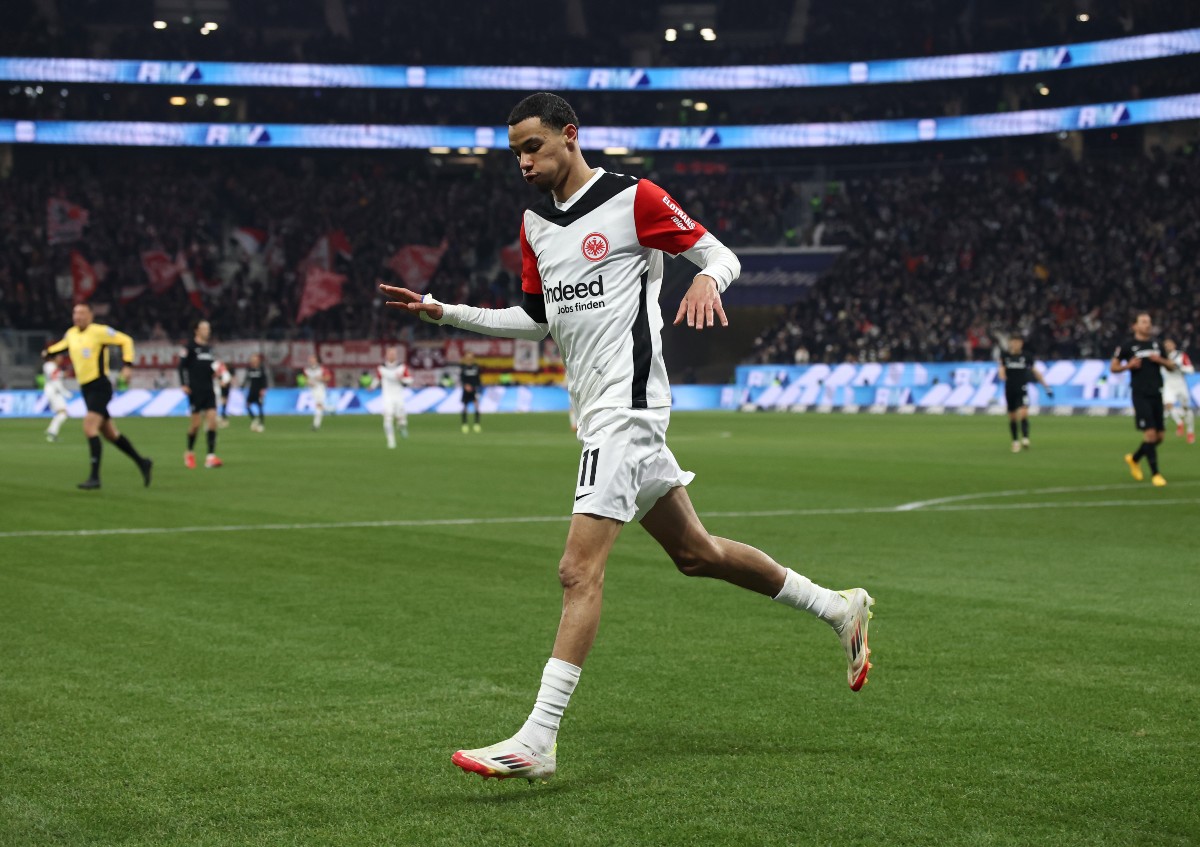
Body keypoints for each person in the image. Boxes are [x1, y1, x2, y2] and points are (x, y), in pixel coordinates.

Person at [380, 92, 874, 784]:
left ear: (569, 136)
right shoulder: (535, 225)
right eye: (514, 151)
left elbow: (720, 254)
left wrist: (706, 278)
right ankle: (838, 607)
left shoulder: (634, 198)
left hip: (630, 407)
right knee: (696, 553)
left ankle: (539, 737)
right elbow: (535, 320)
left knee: (577, 569)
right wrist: (444, 312)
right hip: (599, 411)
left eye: (532, 147)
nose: (522, 162)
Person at [42, 302, 153, 490]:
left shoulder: (99, 331)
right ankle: (143, 462)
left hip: (100, 385)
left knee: (89, 427)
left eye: (82, 313)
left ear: (91, 316)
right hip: (86, 388)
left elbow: (126, 340)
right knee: (110, 434)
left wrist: (127, 365)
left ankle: (95, 478)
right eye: (75, 313)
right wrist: (48, 352)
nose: (78, 317)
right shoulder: (71, 334)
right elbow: (61, 347)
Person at [1112, 312, 1174, 486]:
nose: (1148, 325)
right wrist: (1128, 366)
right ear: (1135, 326)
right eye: (1144, 322)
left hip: (1157, 393)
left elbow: (1171, 366)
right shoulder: (1128, 346)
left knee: (1159, 437)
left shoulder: (1157, 344)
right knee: (1150, 433)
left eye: (1149, 322)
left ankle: (1135, 458)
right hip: (1140, 394)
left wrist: (1160, 360)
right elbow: (1113, 367)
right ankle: (1156, 474)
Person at [179, 320, 224, 469]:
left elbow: (210, 368)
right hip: (195, 390)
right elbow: (181, 366)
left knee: (212, 421)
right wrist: (184, 384)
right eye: (204, 328)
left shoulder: (209, 349)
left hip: (209, 389)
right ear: (196, 330)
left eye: (208, 328)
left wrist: (217, 376)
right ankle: (189, 452)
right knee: (196, 425)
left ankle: (210, 457)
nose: (207, 331)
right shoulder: (190, 347)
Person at [997, 336, 1052, 452]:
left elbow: (1035, 372)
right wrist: (1002, 375)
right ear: (1010, 343)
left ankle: (1025, 438)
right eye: (1014, 342)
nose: (1016, 344)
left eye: (1018, 342)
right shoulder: (1005, 356)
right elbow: (1001, 368)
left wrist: (1046, 386)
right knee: (1012, 417)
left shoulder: (1026, 356)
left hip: (1022, 388)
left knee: (1023, 413)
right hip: (1009, 389)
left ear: (1021, 344)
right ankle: (1015, 441)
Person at [370, 346, 414, 448]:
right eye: (390, 353)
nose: (392, 355)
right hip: (387, 397)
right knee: (388, 418)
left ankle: (402, 426)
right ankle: (391, 442)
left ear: (396, 355)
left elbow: (410, 380)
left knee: (401, 419)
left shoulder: (401, 367)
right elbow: (378, 378)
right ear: (386, 355)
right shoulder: (381, 368)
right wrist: (372, 386)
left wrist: (401, 378)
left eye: (393, 353)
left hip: (398, 396)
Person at [1161, 338, 1195, 444]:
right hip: (1168, 384)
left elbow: (1191, 370)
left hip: (1180, 384)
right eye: (1166, 345)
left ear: (1174, 345)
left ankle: (1190, 432)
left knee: (1186, 409)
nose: (1168, 347)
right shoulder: (1162, 357)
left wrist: (1180, 367)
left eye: (1169, 344)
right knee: (1168, 405)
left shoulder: (1181, 356)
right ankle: (1179, 423)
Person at [42, 353, 70, 442]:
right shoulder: (50, 365)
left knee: (61, 413)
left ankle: (51, 434)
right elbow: (54, 378)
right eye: (60, 357)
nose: (61, 359)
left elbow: (55, 376)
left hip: (54, 392)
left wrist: (62, 374)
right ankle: (51, 431)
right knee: (63, 413)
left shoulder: (52, 366)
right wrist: (65, 392)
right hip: (54, 392)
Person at [305, 354, 331, 430]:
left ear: (316, 360)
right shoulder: (307, 370)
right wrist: (307, 382)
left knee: (318, 405)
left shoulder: (322, 369)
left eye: (312, 358)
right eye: (310, 358)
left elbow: (328, 378)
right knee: (319, 406)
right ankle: (332, 409)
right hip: (311, 390)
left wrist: (321, 378)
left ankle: (316, 425)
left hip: (320, 389)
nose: (310, 359)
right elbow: (304, 379)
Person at [244, 352, 268, 432]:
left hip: (259, 391)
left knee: (260, 407)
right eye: (252, 359)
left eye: (255, 359)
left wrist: (263, 389)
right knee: (247, 405)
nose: (253, 361)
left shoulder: (261, 369)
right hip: (252, 390)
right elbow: (247, 379)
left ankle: (261, 424)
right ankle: (254, 419)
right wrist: (242, 386)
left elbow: (264, 380)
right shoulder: (250, 369)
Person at [459, 352, 482, 433]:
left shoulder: (476, 367)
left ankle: (477, 424)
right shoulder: (463, 368)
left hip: (474, 389)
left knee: (476, 406)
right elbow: (462, 378)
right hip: (466, 390)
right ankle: (464, 425)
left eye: (470, 357)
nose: (469, 359)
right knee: (465, 407)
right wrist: (466, 386)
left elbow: (478, 378)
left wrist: (476, 387)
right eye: (467, 357)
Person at [216, 360, 233, 428]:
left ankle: (222, 417)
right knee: (222, 404)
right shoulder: (222, 373)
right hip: (221, 391)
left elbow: (224, 384)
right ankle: (222, 417)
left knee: (223, 404)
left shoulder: (227, 374)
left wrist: (220, 382)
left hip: (224, 391)